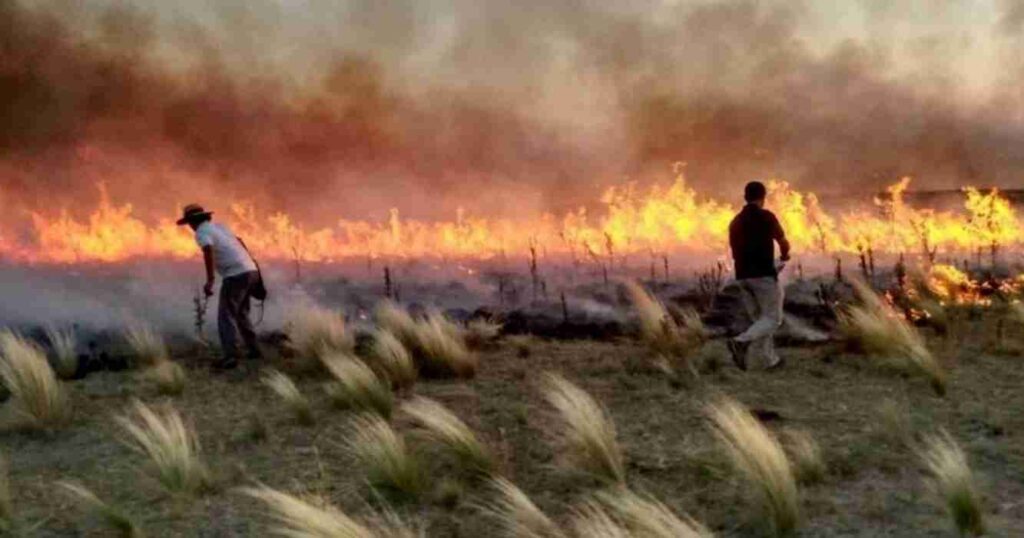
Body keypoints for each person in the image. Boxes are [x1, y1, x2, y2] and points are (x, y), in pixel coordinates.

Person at [176, 203, 262, 369]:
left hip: (235, 275)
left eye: (190, 223)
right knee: (241, 313)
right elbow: (240, 241)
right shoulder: (220, 227)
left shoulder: (201, 232)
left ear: (193, 222)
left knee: (226, 316)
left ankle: (230, 356)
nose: (191, 227)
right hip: (251, 270)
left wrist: (210, 280)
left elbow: (208, 250)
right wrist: (249, 262)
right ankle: (254, 350)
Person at [726, 181, 791, 371]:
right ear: (763, 197)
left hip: (742, 276)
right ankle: (740, 342)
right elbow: (783, 242)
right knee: (773, 319)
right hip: (762, 274)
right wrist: (784, 256)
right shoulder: (766, 217)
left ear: (745, 197)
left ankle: (770, 362)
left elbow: (735, 250)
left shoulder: (735, 222)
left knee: (761, 321)